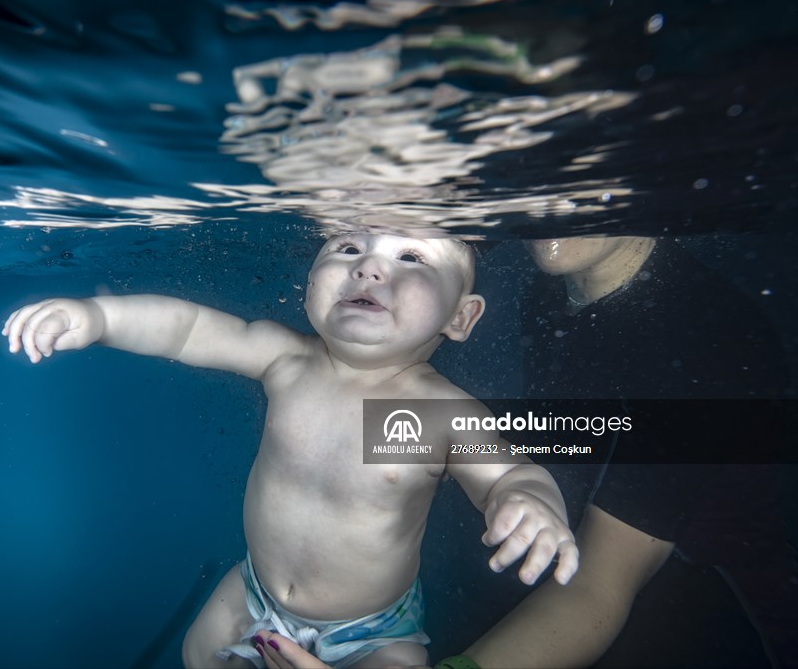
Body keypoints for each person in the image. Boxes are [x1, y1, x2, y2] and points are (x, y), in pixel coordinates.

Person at [2, 231, 580, 668]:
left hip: (375, 630)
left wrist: (529, 500)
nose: (370, 266)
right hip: (254, 589)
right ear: (310, 281)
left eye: (412, 257)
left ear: (461, 315)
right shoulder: (286, 360)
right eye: (348, 246)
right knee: (196, 653)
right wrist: (99, 317)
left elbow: (509, 474)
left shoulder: (443, 413)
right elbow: (188, 329)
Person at [254, 234, 796, 668]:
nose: (546, 204)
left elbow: (602, 584)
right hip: (555, 560)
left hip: (707, 607)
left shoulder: (706, 344)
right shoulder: (555, 281)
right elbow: (586, 431)